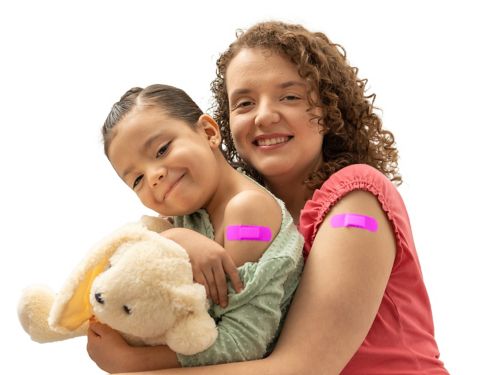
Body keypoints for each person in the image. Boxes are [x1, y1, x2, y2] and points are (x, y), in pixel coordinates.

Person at [111, 21, 449, 374]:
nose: (264, 116)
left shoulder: (357, 201)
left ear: (329, 107)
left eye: (290, 96)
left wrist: (132, 364)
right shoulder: (247, 216)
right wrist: (172, 237)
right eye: (244, 103)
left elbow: (304, 368)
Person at [87, 84, 304, 373]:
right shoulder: (189, 217)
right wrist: (175, 236)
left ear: (209, 133)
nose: (154, 175)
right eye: (137, 179)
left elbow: (244, 340)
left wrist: (130, 362)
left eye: (162, 150)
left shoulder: (247, 212)